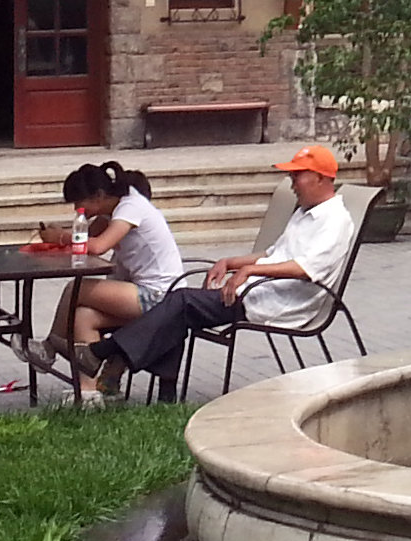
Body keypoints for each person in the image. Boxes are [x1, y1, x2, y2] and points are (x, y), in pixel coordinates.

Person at [96, 145, 357, 390]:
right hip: (257, 290)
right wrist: (230, 262)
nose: (292, 183)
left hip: (279, 302)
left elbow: (303, 268)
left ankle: (105, 353)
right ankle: (157, 388)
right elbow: (272, 254)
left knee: (182, 301)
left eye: (297, 175)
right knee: (180, 309)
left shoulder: (334, 220)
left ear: (321, 178)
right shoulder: (304, 212)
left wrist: (250, 272)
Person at [30, 161, 182, 396]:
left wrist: (60, 236)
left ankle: (49, 347)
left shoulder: (130, 207)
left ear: (99, 195)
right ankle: (90, 392)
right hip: (141, 290)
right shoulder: (114, 210)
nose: (77, 210)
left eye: (79, 203)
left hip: (162, 296)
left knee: (75, 289)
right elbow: (88, 237)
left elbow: (98, 246)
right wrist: (65, 237)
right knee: (83, 316)